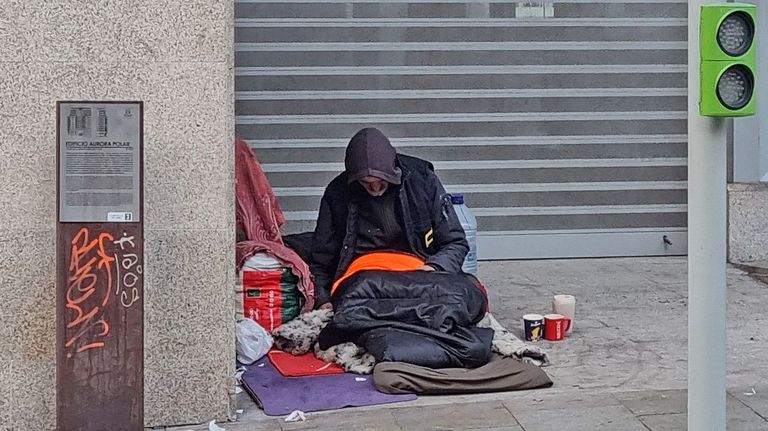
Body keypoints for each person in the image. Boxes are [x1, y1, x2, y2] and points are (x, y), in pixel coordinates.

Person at [310, 127, 469, 309]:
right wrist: (323, 300)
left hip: (418, 273)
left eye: (381, 182)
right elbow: (321, 261)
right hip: (362, 278)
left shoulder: (422, 180)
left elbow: (456, 242)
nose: (375, 190)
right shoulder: (337, 192)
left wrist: (433, 268)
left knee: (460, 301)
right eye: (366, 184)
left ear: (393, 171)